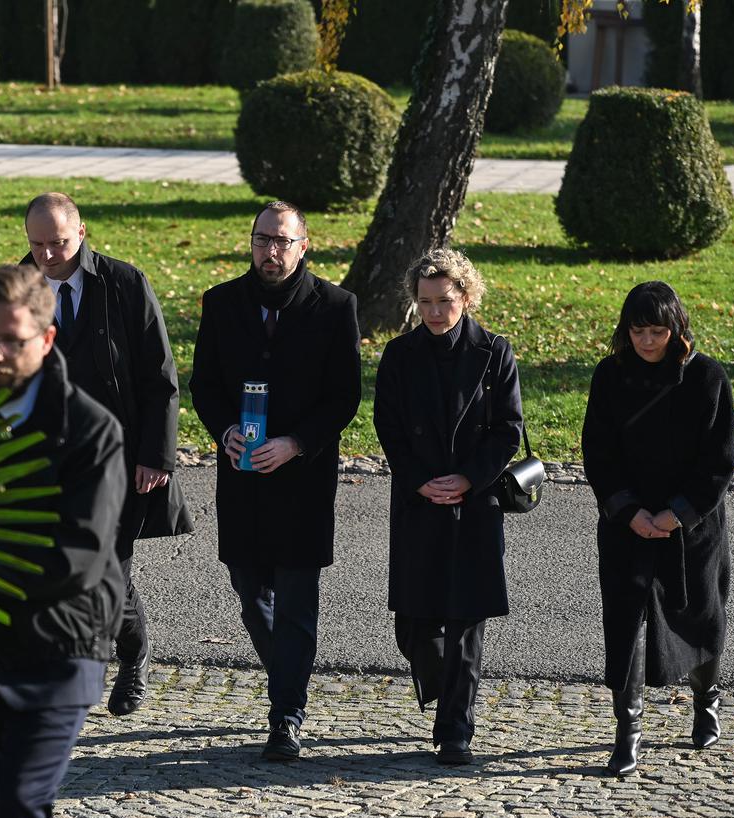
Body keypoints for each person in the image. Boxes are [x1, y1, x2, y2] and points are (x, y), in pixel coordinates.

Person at [0, 264, 126, 818]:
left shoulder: (89, 430)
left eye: (11, 342)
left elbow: (79, 555)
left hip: (59, 643)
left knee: (17, 806)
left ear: (46, 340)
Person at [189, 200, 361, 760]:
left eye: (283, 241)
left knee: (295, 602)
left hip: (302, 481)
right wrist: (224, 430)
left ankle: (285, 713)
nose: (271, 251)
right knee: (249, 593)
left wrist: (296, 443)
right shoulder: (221, 303)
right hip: (241, 475)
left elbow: (345, 396)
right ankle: (290, 674)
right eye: (263, 239)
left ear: (303, 246)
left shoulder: (336, 307)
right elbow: (205, 385)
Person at [20, 192, 192, 717]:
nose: (48, 255)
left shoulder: (123, 284)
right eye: (37, 245)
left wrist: (156, 456)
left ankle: (132, 651)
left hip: (116, 461)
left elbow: (159, 377)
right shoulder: (15, 288)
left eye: (59, 243)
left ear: (83, 231)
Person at [372, 249, 523, 766]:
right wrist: (421, 482)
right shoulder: (399, 355)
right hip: (419, 500)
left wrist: (468, 479)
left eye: (444, 300)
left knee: (465, 619)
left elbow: (508, 430)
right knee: (413, 623)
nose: (434, 312)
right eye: (425, 302)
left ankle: (455, 725)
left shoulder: (494, 353)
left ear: (466, 295)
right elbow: (388, 428)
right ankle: (443, 687)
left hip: (474, 503)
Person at [581, 281, 734, 776]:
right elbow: (598, 453)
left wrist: (677, 513)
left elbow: (719, 461)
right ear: (626, 331)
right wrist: (629, 512)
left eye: (658, 331)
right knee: (624, 623)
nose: (648, 341)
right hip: (627, 521)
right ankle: (628, 730)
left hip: (693, 526)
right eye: (639, 331)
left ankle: (705, 701)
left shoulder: (707, 377)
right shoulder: (610, 376)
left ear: (676, 329)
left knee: (700, 614)